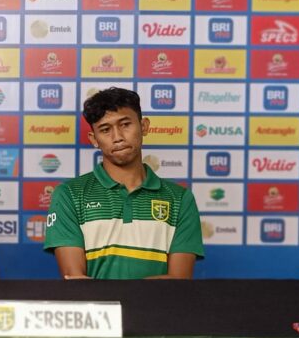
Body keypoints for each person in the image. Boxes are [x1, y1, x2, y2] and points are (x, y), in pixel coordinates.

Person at [43, 87, 204, 279]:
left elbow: (178, 281)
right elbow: (74, 279)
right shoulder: (69, 194)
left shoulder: (180, 199)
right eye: (105, 129)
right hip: (101, 310)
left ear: (144, 126)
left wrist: (126, 299)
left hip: (157, 309)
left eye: (125, 124)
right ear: (94, 139)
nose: (117, 137)